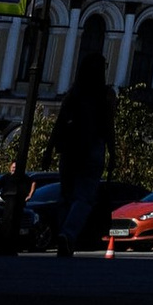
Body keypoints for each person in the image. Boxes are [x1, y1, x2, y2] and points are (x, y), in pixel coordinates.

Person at [48, 31, 117, 259]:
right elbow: (109, 125)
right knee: (84, 197)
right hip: (93, 148)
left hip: (69, 148)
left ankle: (63, 235)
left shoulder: (74, 93)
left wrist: (49, 149)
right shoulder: (106, 95)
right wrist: (113, 152)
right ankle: (68, 235)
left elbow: (59, 123)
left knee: (66, 195)